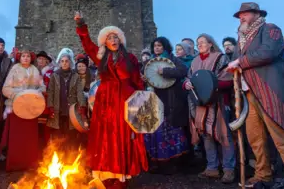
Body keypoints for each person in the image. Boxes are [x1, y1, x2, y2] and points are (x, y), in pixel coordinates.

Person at [227, 2, 284, 189]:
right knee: (256, 138)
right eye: (240, 16)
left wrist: (240, 61)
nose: (241, 18)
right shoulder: (241, 38)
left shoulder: (270, 29)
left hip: (270, 93)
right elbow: (234, 63)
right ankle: (263, 174)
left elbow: (268, 52)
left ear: (256, 14)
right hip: (249, 94)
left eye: (245, 14)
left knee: (283, 138)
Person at [74, 11, 147, 189]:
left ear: (120, 40)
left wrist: (141, 105)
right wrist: (81, 24)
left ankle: (121, 175)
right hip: (105, 102)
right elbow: (87, 43)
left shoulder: (130, 58)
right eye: (109, 38)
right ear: (104, 42)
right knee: (105, 137)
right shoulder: (101, 58)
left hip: (125, 100)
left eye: (116, 37)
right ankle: (106, 175)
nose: (113, 40)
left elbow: (137, 81)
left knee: (123, 136)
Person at [184, 34, 235, 183]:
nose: (199, 45)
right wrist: (187, 84)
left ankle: (228, 169)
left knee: (224, 135)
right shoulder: (194, 61)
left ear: (211, 44)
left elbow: (228, 79)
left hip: (218, 102)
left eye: (202, 42)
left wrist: (211, 86)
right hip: (200, 104)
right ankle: (212, 168)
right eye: (198, 43)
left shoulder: (221, 58)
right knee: (206, 135)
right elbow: (189, 78)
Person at [143, 37, 188, 175]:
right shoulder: (149, 62)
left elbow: (183, 71)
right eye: (155, 46)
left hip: (170, 101)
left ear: (165, 47)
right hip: (153, 101)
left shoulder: (173, 59)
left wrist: (165, 72)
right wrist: (143, 78)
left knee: (170, 133)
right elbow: (142, 75)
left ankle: (173, 164)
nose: (157, 48)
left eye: (160, 45)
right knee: (155, 133)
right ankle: (158, 162)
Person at [0, 49, 45, 171]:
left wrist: (37, 92)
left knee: (29, 139)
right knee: (16, 139)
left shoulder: (35, 70)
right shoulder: (14, 69)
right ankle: (15, 164)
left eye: (28, 56)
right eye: (23, 56)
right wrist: (19, 94)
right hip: (16, 107)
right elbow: (6, 88)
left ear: (31, 58)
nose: (26, 58)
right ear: (19, 58)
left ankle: (30, 164)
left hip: (31, 108)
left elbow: (43, 86)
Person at [46, 48, 87, 156]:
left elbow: (79, 92)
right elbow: (50, 92)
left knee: (71, 136)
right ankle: (58, 157)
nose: (64, 63)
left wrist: (82, 106)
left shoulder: (75, 76)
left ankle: (69, 159)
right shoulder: (55, 76)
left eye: (66, 61)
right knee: (58, 136)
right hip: (57, 109)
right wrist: (50, 106)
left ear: (70, 62)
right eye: (62, 61)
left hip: (71, 111)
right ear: (59, 62)